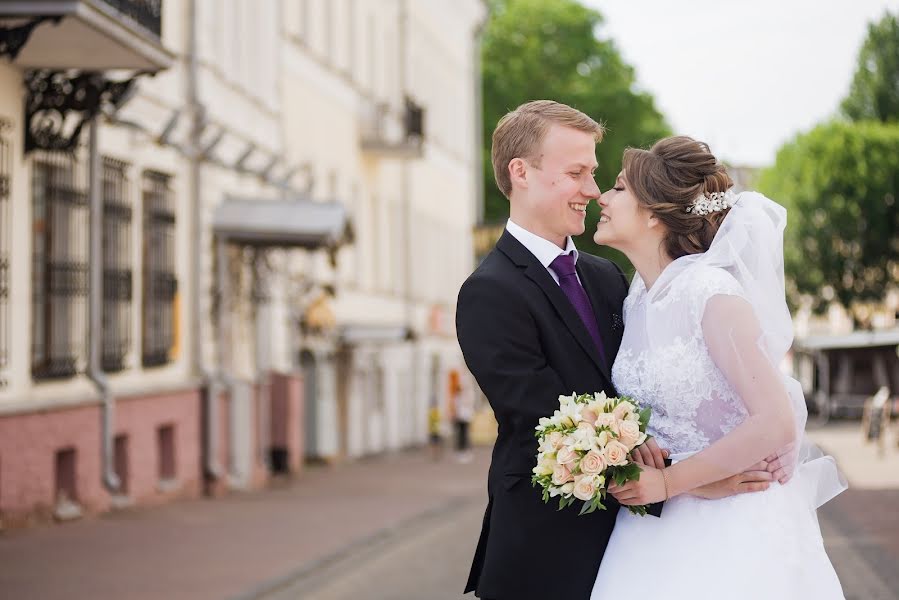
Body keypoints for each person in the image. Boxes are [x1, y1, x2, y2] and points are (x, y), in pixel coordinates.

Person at [456, 101, 769, 600]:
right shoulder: (489, 292)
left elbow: (654, 396)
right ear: (521, 173)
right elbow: (546, 423)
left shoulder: (609, 278)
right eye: (576, 173)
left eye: (595, 174)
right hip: (548, 550)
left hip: (639, 547)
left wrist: (682, 476)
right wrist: (686, 483)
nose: (592, 191)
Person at [591, 136, 847, 599]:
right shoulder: (639, 299)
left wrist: (669, 482)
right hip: (654, 527)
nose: (601, 198)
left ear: (654, 214)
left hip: (731, 528)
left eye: (618, 188)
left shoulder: (710, 292)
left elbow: (774, 420)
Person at [448, 369, 475, 463]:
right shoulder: (457, 396)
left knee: (464, 433)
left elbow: (469, 403)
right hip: (460, 416)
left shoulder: (468, 394)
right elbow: (455, 405)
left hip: (465, 416)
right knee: (460, 434)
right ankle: (460, 451)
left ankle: (465, 451)